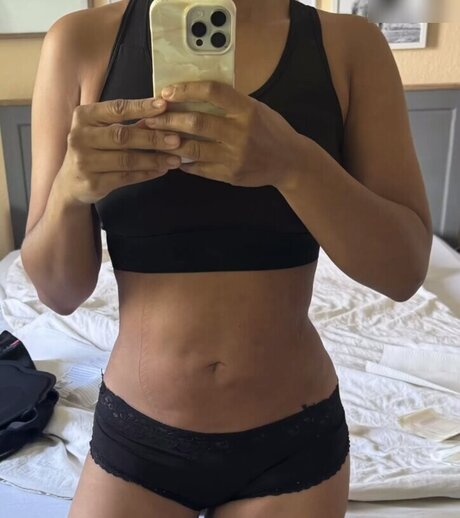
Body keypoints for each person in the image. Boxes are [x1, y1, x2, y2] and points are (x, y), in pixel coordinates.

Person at [21, 0, 433, 517]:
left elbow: (403, 272)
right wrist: (68, 192)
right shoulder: (80, 43)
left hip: (293, 445)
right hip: (138, 439)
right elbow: (59, 294)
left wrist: (294, 164)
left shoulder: (351, 46)